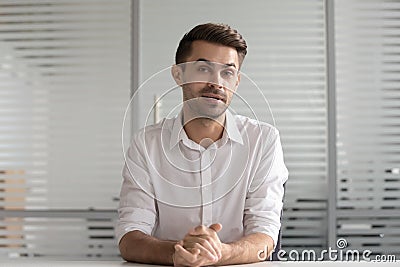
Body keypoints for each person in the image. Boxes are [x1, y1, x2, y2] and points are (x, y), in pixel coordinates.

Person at [116, 23, 288, 266]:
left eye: (227, 73)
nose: (216, 82)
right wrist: (178, 253)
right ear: (178, 74)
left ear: (236, 82)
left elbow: (265, 235)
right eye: (203, 69)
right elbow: (130, 237)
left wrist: (219, 253)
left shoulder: (263, 140)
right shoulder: (147, 144)